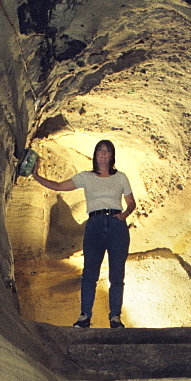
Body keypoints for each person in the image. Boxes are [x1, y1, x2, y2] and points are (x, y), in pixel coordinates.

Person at [32, 140, 136, 328]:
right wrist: (36, 176)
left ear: (112, 156)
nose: (103, 154)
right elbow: (58, 186)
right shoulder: (86, 177)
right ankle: (85, 316)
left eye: (107, 151)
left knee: (116, 275)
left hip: (116, 224)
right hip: (95, 224)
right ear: (95, 154)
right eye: (100, 150)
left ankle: (115, 317)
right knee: (89, 273)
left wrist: (124, 215)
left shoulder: (121, 177)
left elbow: (131, 203)